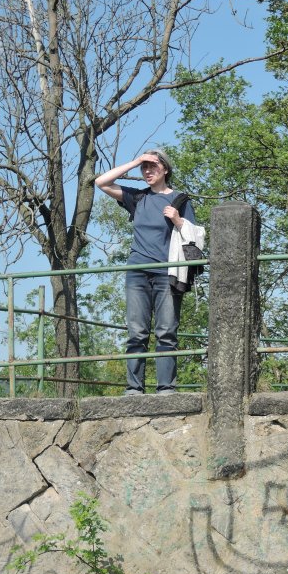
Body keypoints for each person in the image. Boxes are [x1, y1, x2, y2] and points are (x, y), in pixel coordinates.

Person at [95, 149, 196, 395]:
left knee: (166, 332)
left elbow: (194, 237)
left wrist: (178, 220)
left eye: (152, 166)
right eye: (144, 168)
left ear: (166, 170)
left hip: (167, 273)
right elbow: (101, 182)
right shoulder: (137, 198)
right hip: (137, 272)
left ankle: (166, 388)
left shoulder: (181, 200)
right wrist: (135, 160)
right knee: (137, 332)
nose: (147, 171)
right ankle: (134, 389)